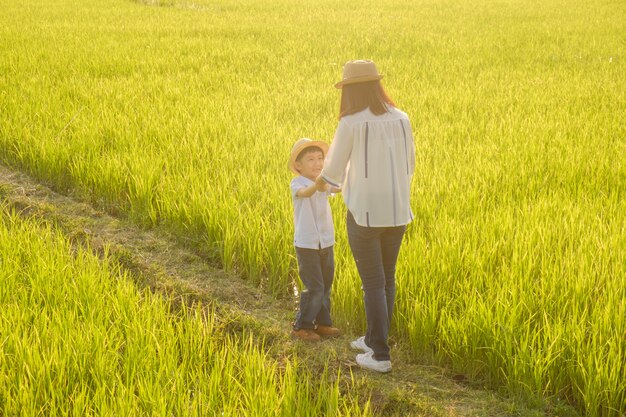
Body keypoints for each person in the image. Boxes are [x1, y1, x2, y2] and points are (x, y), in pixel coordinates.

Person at [315, 60, 415, 372]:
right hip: (398, 212)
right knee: (386, 278)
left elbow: (331, 172)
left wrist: (320, 188)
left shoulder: (351, 123)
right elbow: (410, 164)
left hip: (364, 215)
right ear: (375, 86)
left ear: (349, 91)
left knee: (372, 282)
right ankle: (374, 339)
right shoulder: (401, 118)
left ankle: (380, 355)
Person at [289, 138, 342, 342]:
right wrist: (319, 185)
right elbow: (306, 192)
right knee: (315, 287)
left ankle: (322, 324)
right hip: (307, 245)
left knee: (326, 285)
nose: (317, 162)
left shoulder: (323, 182)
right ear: (298, 166)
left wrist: (353, 180)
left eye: (320, 158)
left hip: (326, 242)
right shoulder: (298, 183)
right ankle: (301, 326)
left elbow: (337, 188)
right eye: (311, 159)